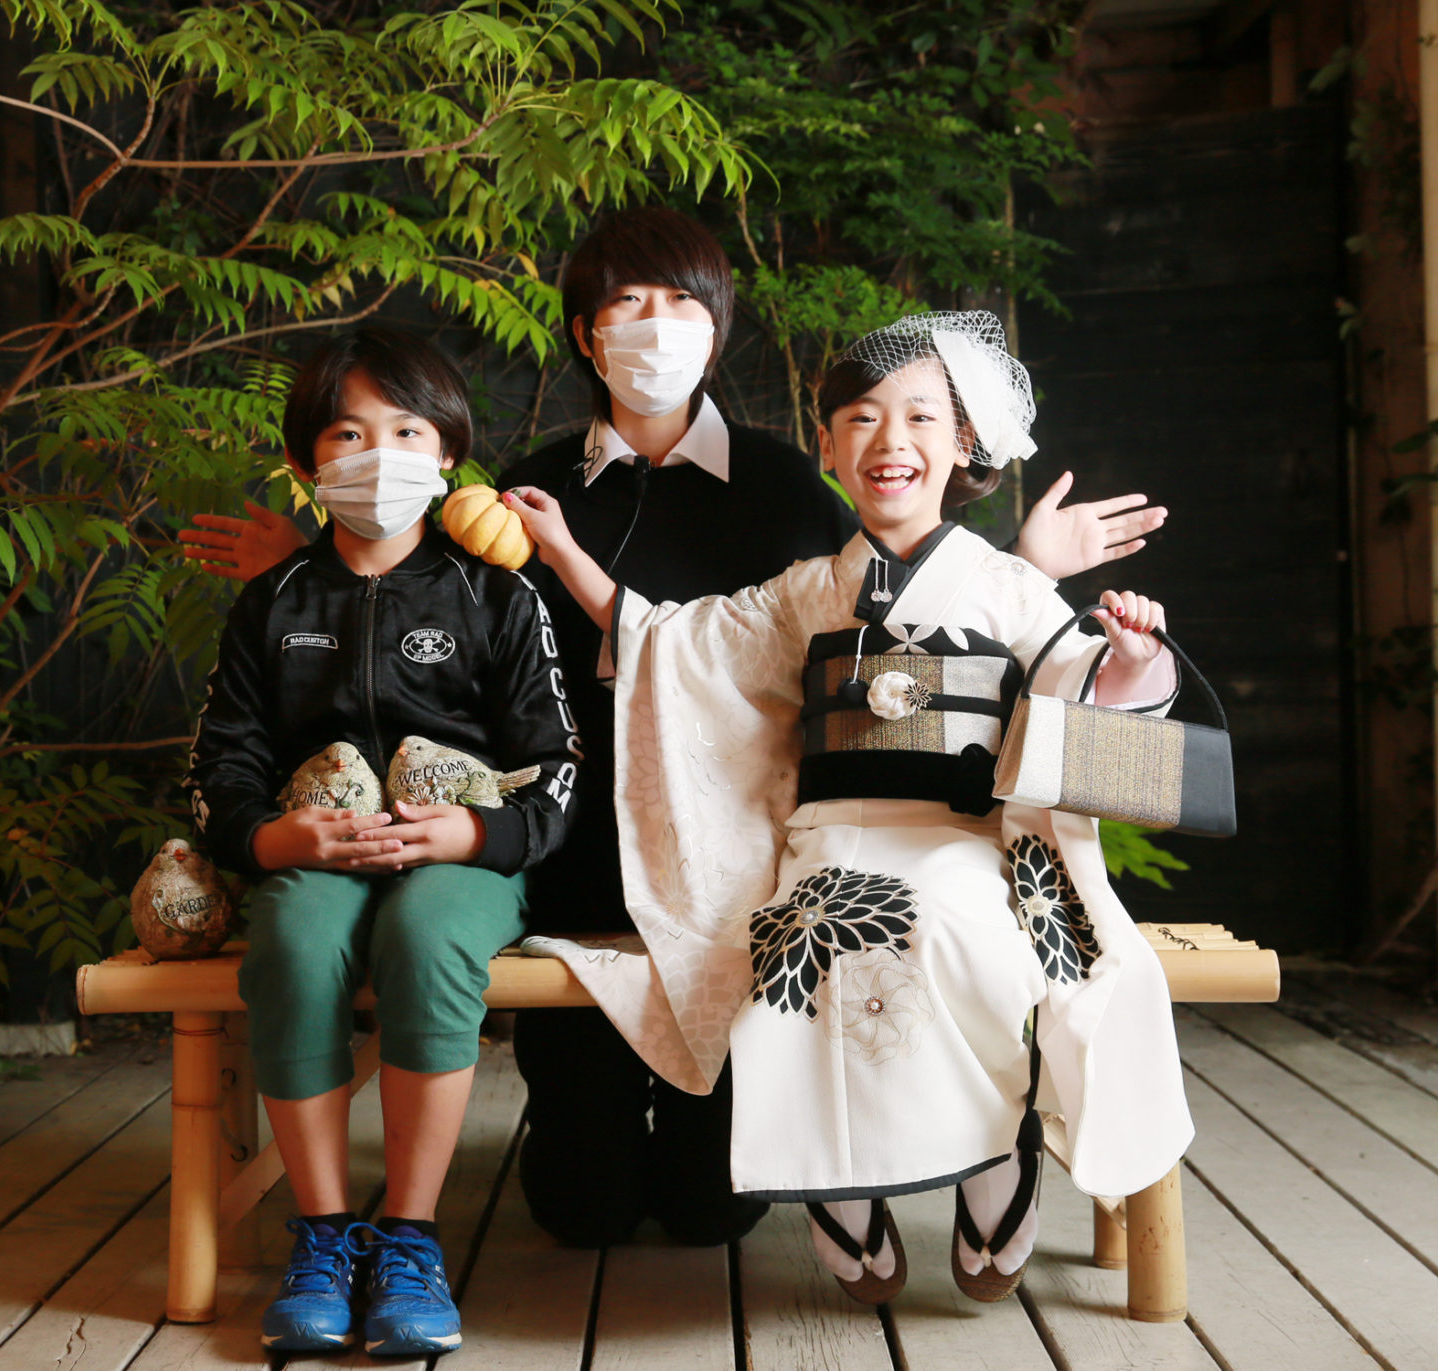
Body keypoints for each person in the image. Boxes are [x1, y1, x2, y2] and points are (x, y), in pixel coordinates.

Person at [178, 207, 1167, 1250]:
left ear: (717, 325)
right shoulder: (531, 491)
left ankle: (962, 1147)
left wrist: (1028, 573)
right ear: (585, 333)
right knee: (583, 1207)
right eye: (626, 302)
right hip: (574, 860)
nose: (654, 324)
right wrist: (309, 577)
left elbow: (893, 619)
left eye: (681, 302)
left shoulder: (788, 485)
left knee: (712, 1209)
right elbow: (432, 614)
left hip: (748, 866)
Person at [505, 309, 1193, 1303]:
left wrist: (1130, 657)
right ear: (827, 449)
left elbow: (1078, 689)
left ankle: (994, 1150)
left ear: (963, 444)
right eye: (861, 419)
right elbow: (671, 643)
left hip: (965, 840)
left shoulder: (1008, 585)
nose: (889, 440)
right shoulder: (804, 593)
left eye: (920, 417)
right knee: (794, 936)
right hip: (829, 840)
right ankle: (840, 1176)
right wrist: (566, 548)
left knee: (958, 928)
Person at [186, 327, 581, 1355]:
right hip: (317, 855)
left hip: (458, 862)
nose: (380, 454)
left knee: (427, 938)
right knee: (294, 942)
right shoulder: (273, 600)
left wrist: (479, 830)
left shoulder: (499, 595)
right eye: (349, 433)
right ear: (306, 461)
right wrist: (271, 840)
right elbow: (220, 766)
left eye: (407, 431)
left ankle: (409, 1237)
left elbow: (555, 764)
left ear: (449, 454)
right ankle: (321, 1234)